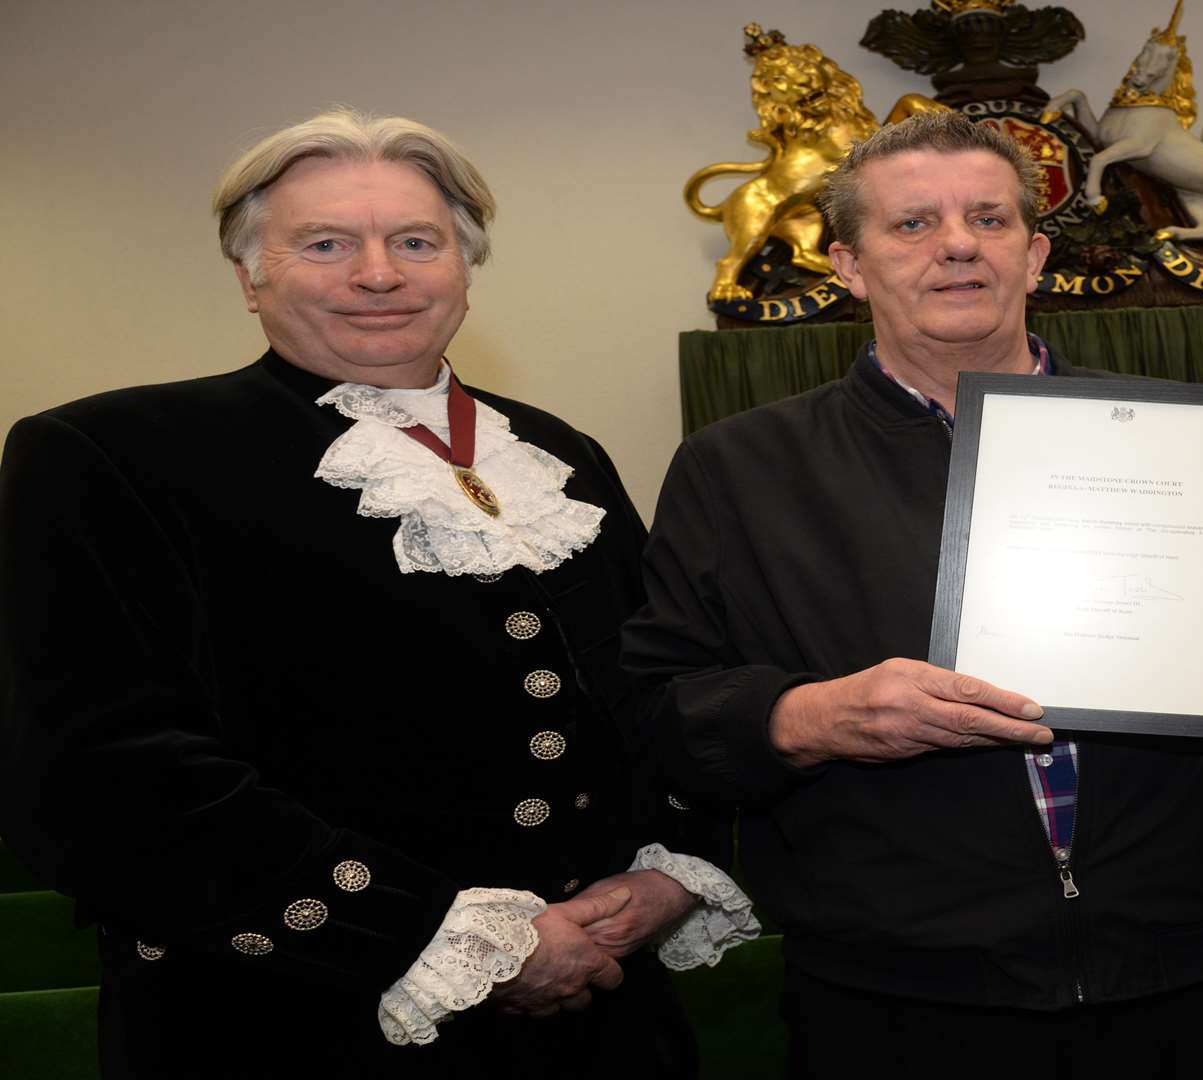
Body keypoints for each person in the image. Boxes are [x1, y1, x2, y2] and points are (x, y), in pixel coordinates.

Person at [0, 109, 757, 1078]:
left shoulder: (561, 455)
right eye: (325, 243)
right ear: (249, 274)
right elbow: (101, 772)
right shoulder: (111, 455)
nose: (379, 274)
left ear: (464, 267)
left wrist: (668, 871)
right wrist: (431, 934)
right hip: (293, 1024)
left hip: (600, 1024)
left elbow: (653, 690)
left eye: (416, 242)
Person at [623, 110, 1203, 1077]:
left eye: (990, 220)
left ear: (1036, 255)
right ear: (848, 263)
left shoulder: (1180, 442)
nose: (958, 244)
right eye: (913, 224)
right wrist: (809, 716)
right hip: (906, 1003)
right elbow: (659, 712)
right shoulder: (739, 469)